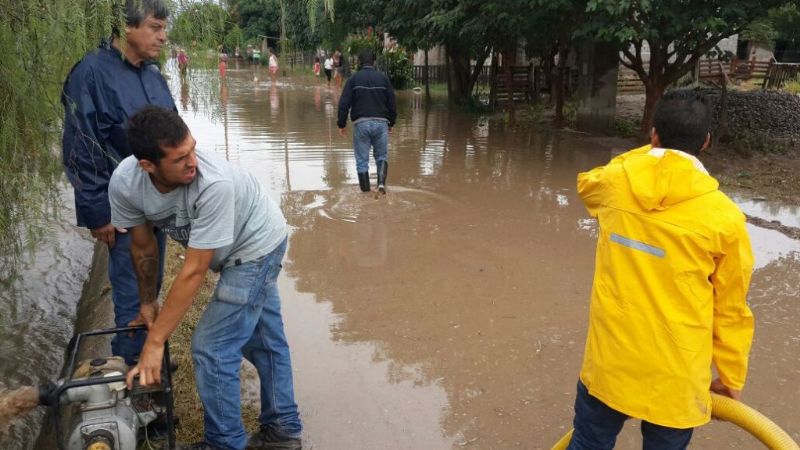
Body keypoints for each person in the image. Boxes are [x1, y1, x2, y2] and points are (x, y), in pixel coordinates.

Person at [567, 90, 755, 450]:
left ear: (653, 135)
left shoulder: (615, 183)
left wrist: (648, 155)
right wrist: (730, 377)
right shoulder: (726, 219)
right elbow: (732, 310)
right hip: (677, 378)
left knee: (588, 443)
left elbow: (586, 184)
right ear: (706, 142)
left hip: (610, 364)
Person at [112, 106, 303, 450]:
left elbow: (194, 271)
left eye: (193, 149)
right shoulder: (125, 183)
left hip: (256, 245)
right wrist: (146, 302)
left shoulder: (213, 183)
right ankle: (283, 429)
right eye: (180, 158)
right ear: (147, 165)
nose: (193, 162)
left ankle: (225, 442)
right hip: (233, 249)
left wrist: (154, 344)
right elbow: (143, 248)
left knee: (212, 348)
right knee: (264, 339)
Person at [61, 0, 175, 366]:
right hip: (122, 209)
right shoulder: (91, 74)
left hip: (159, 202)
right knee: (130, 295)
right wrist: (97, 212)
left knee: (151, 285)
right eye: (155, 27)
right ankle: (134, 377)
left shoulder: (152, 75)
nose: (163, 35)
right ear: (127, 28)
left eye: (163, 28)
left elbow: (172, 131)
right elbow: (81, 144)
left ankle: (150, 357)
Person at [337, 50, 397, 194]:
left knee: (362, 161)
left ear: (359, 62)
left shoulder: (353, 79)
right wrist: (391, 123)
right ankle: (381, 184)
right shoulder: (383, 79)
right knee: (381, 156)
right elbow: (392, 103)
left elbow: (343, 103)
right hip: (381, 124)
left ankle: (365, 194)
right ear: (374, 62)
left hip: (361, 124)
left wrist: (342, 124)